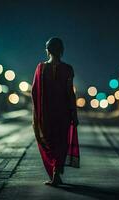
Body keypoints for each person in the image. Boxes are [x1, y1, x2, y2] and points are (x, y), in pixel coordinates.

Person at [31, 37, 80, 186]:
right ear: (62, 51)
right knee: (61, 143)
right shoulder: (68, 69)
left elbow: (34, 92)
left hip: (46, 115)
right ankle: (56, 173)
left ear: (48, 51)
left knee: (48, 142)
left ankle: (55, 174)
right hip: (63, 113)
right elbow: (70, 93)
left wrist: (37, 113)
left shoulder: (41, 68)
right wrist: (74, 113)